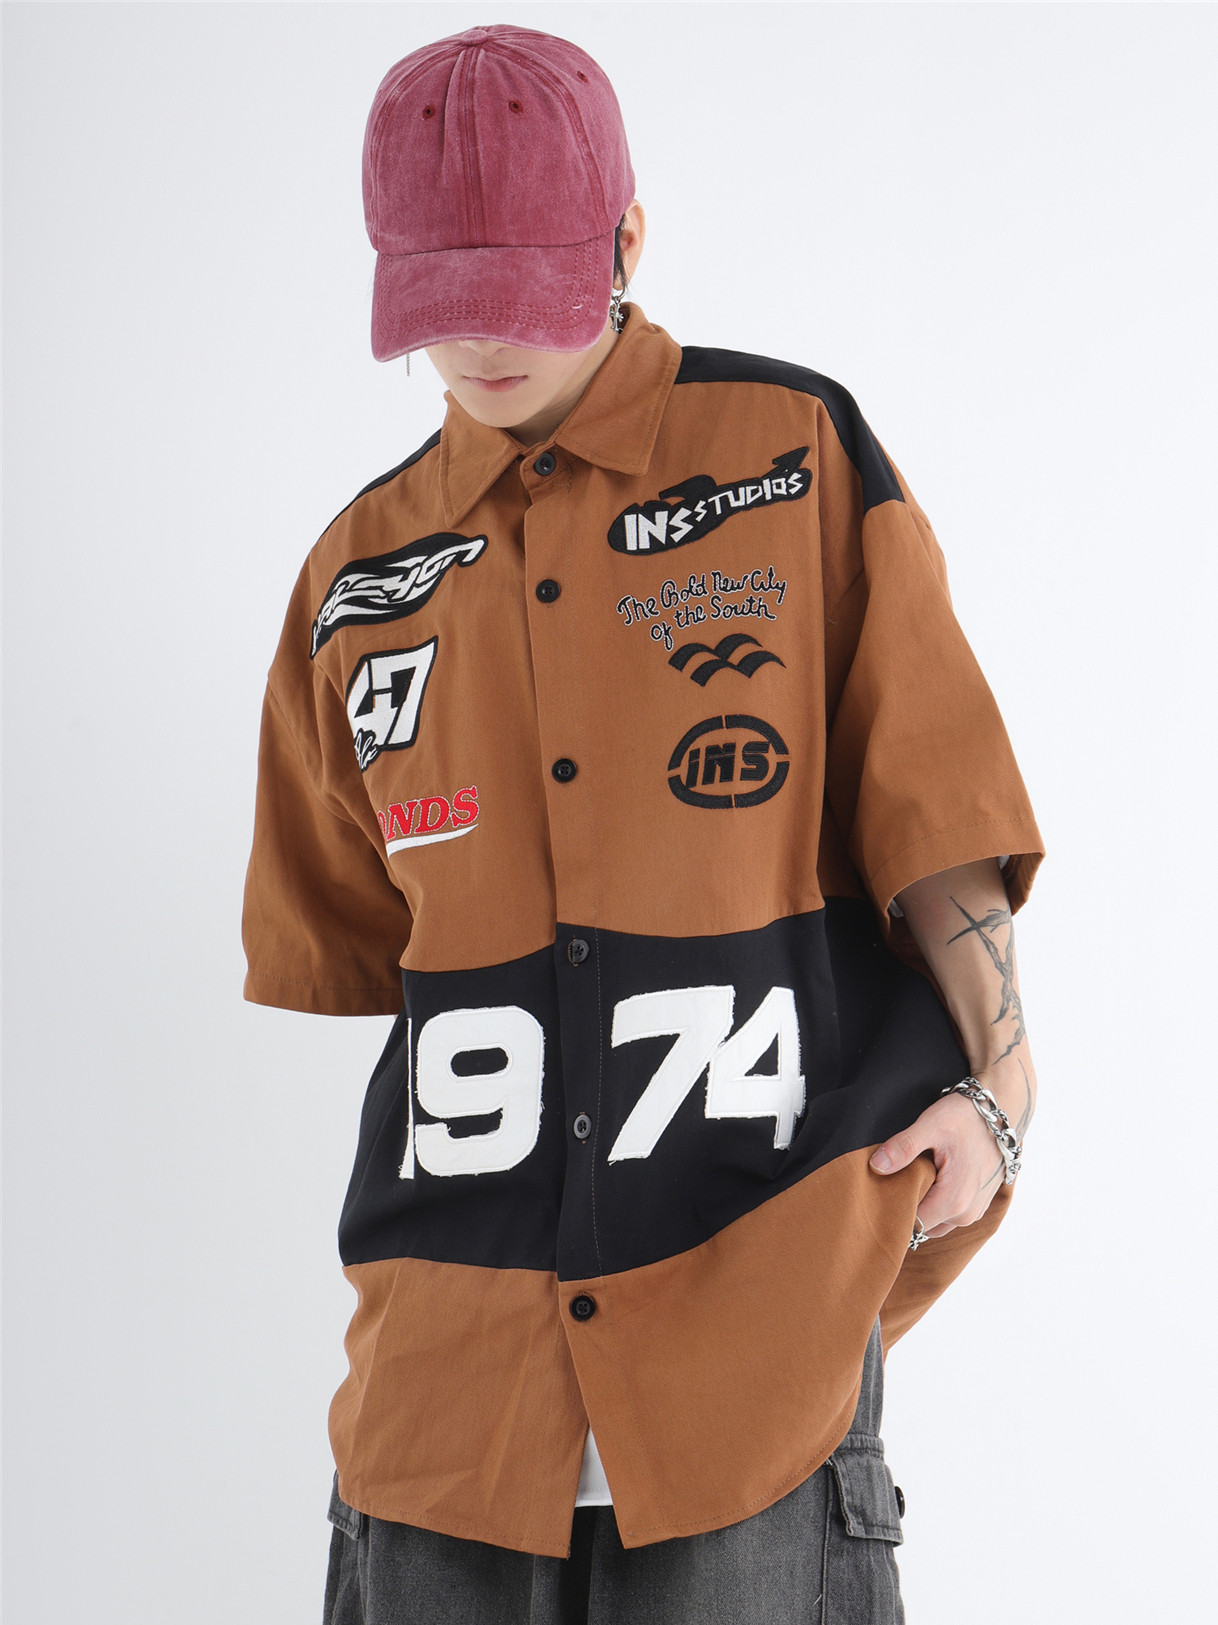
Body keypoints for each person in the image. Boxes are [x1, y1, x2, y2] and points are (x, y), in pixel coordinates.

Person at [242, 23, 1044, 1624]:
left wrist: (1004, 1084)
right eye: (441, 297)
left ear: (624, 238)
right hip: (445, 1394)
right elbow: (368, 942)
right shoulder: (357, 576)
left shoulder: (791, 454)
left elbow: (930, 804)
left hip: (754, 1336)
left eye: (521, 287)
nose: (481, 340)